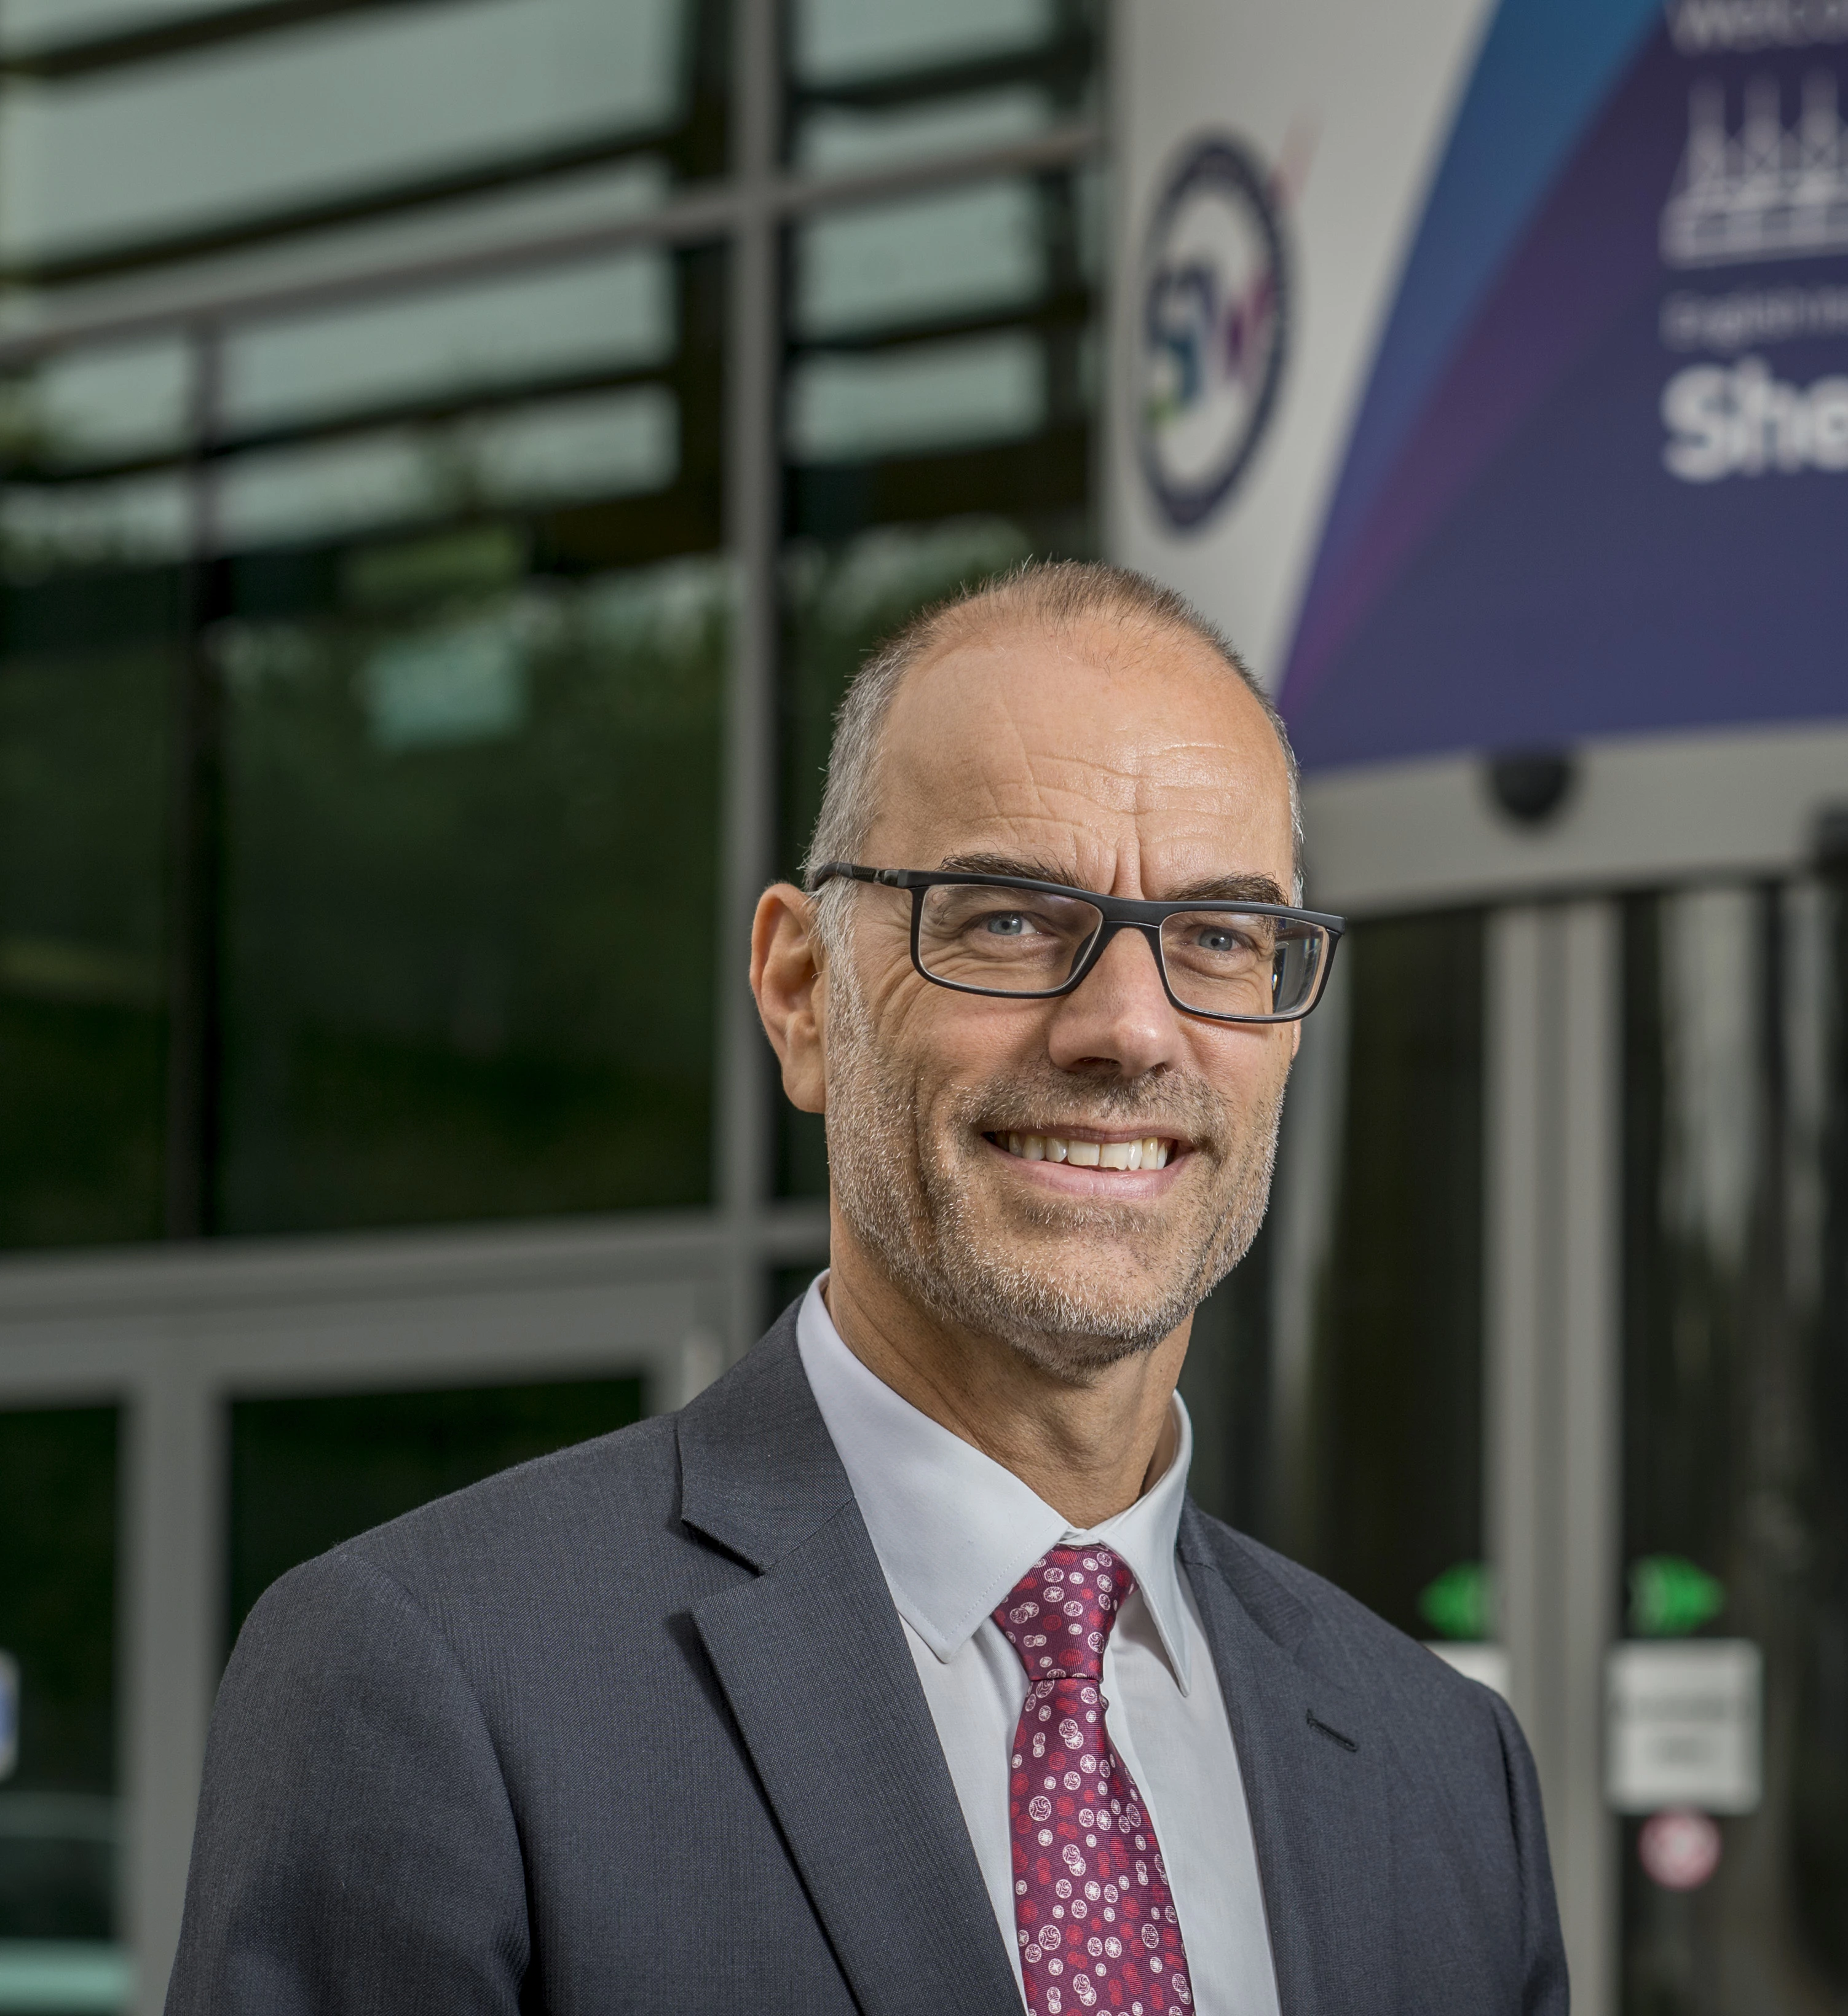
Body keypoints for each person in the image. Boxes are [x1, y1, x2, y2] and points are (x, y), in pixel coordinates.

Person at [166, 562, 1566, 2016]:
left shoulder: (1448, 1776)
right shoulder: (432, 1681)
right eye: (1012, 918)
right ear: (799, 991)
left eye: (1220, 937)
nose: (1131, 1027)